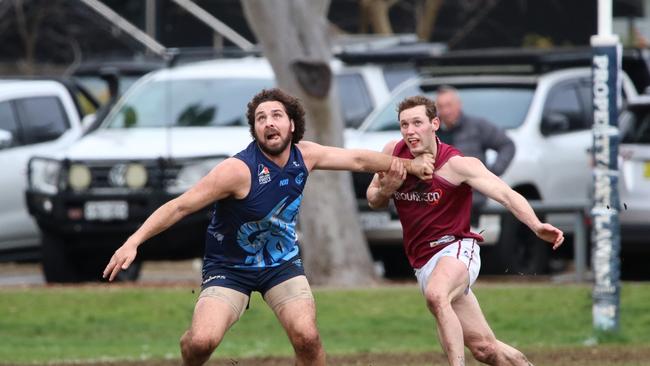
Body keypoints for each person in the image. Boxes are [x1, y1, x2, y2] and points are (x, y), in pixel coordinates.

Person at [102, 88, 434, 366]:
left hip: (281, 265)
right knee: (202, 342)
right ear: (255, 129)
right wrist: (134, 241)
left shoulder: (305, 155)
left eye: (276, 115)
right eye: (261, 118)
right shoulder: (237, 170)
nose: (268, 123)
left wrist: (411, 166)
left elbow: (360, 160)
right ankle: (189, 350)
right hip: (229, 268)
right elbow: (181, 205)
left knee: (307, 337)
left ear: (292, 124)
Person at [366, 95, 564, 366]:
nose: (410, 131)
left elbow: (507, 195)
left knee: (437, 295)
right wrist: (387, 188)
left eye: (417, 123)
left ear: (434, 124)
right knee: (485, 349)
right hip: (423, 261)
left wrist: (536, 225)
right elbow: (373, 198)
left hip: (456, 247)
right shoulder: (393, 153)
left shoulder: (457, 165)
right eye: (404, 125)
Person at [435, 85, 515, 220]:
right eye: (441, 106)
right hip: (439, 200)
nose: (445, 111)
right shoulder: (432, 132)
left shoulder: (477, 126)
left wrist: (491, 173)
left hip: (472, 201)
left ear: (459, 105)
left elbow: (507, 145)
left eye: (449, 105)